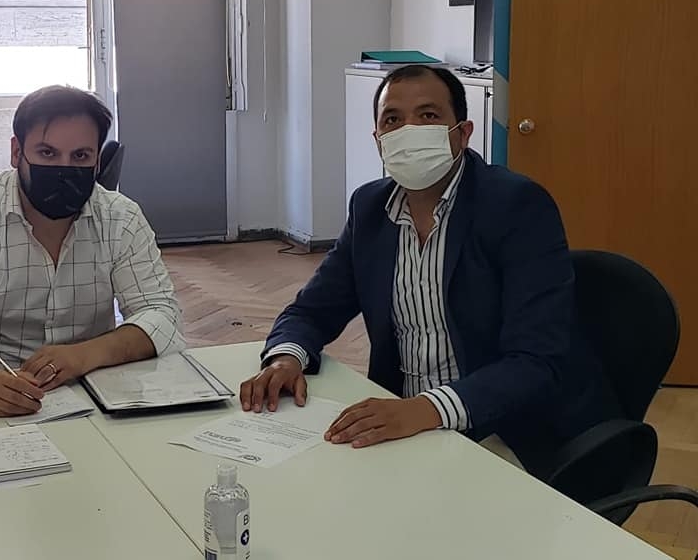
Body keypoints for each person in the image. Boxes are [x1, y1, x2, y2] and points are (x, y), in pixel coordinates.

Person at [238, 65, 617, 470]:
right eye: (393, 120)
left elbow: (536, 360)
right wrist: (286, 358)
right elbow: (312, 310)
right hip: (407, 423)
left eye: (429, 115)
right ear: (379, 141)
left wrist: (427, 409)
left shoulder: (516, 206)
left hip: (509, 429)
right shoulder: (370, 209)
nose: (409, 130)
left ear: (463, 133)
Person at [0, 85, 184, 416]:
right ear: (16, 152)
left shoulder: (121, 218)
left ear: (97, 159)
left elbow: (162, 314)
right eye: (47, 153)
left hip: (97, 393)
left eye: (81, 156)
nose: (64, 168)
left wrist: (85, 354)